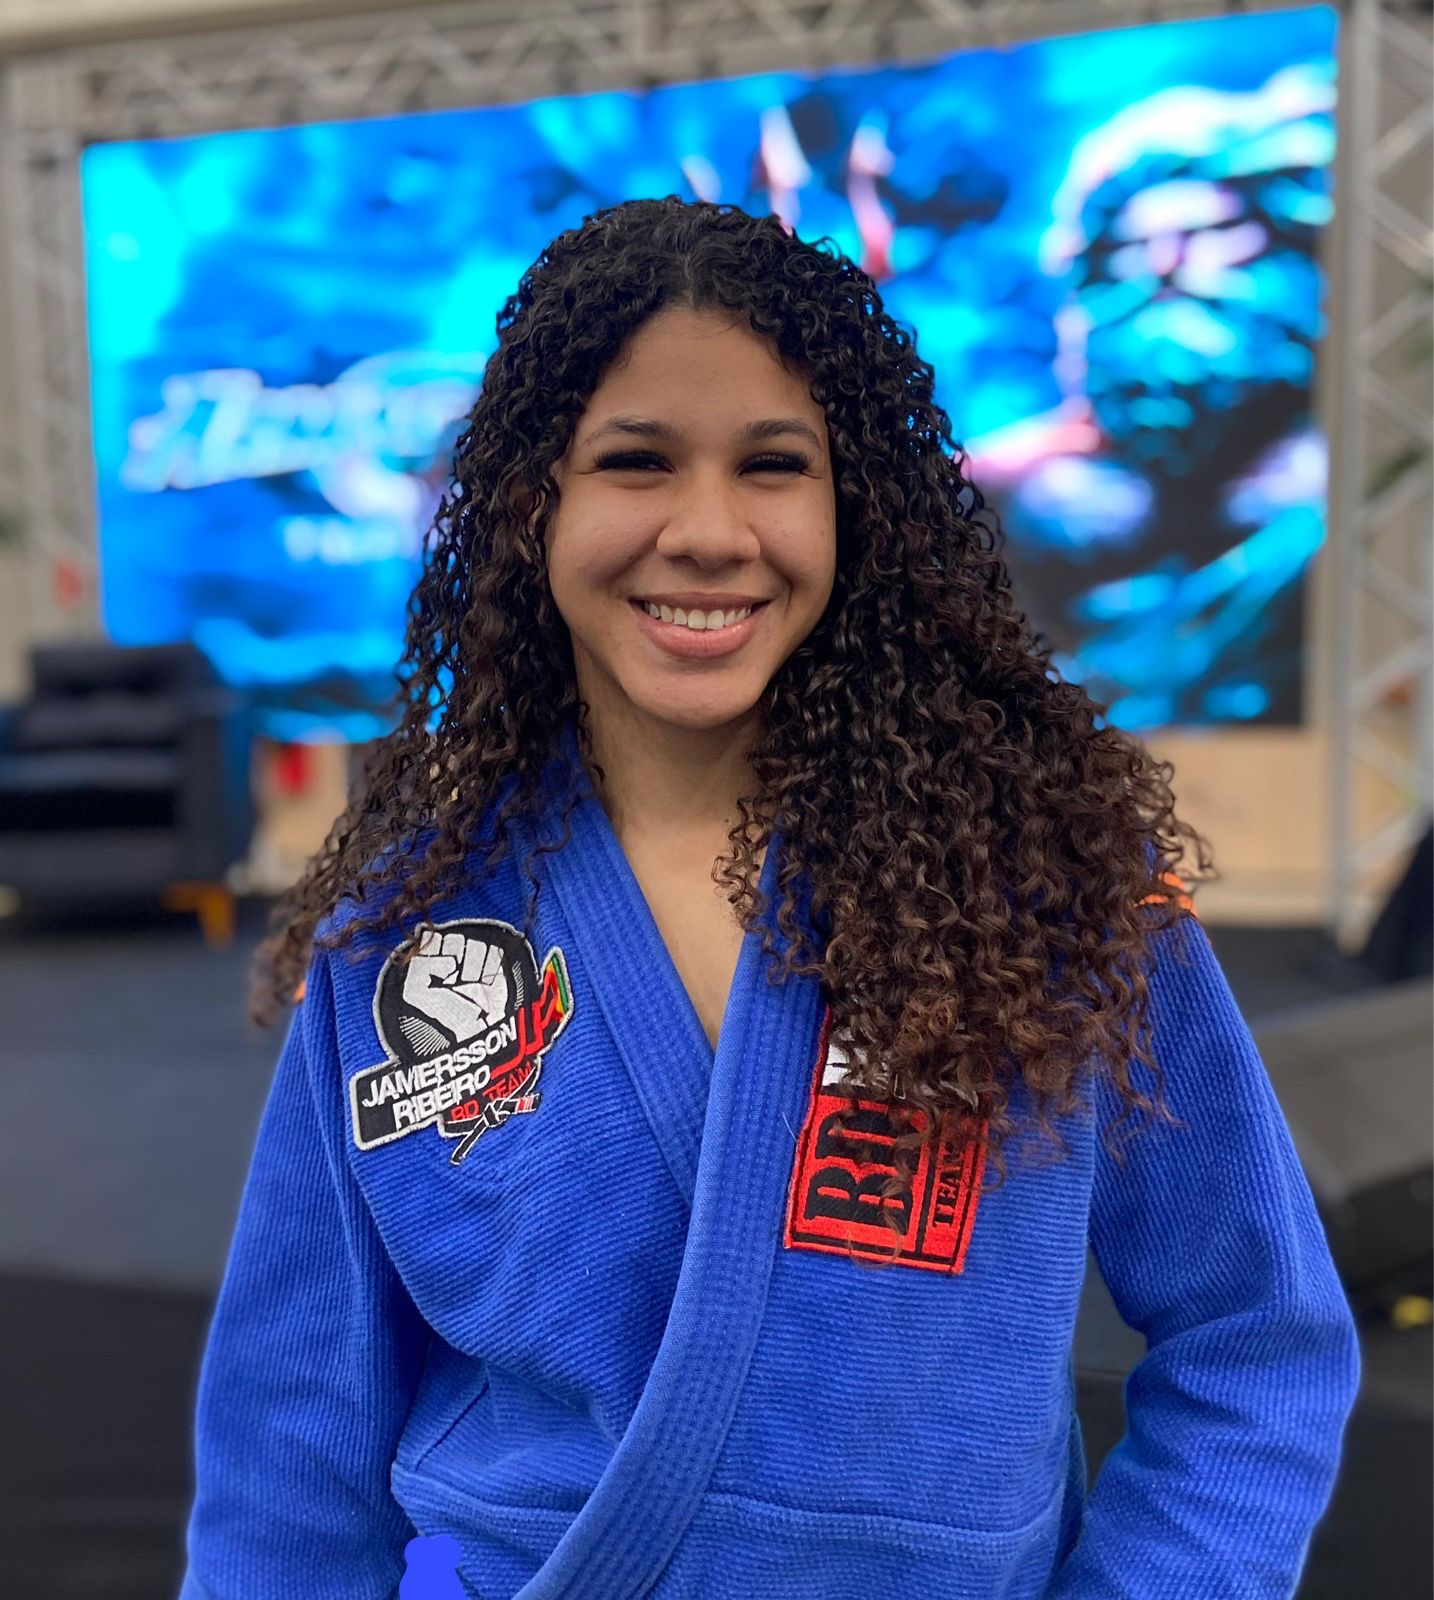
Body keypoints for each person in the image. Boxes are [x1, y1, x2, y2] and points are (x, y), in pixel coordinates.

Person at [177, 196, 1361, 1600]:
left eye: (773, 465)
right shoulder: (409, 926)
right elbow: (291, 1441)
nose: (707, 532)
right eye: (634, 461)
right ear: (531, 505)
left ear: (853, 508)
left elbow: (1252, 1336)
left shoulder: (1043, 885)